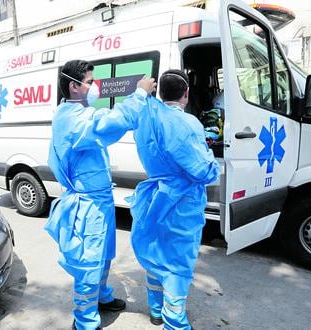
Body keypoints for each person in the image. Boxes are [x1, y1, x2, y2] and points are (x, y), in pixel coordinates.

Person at [44, 59, 156, 330]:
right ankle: (84, 319)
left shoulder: (78, 112)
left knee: (104, 253)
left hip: (100, 198)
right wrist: (139, 94)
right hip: (87, 202)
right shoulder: (73, 118)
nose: (94, 87)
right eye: (90, 81)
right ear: (74, 87)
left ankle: (102, 296)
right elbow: (110, 123)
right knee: (89, 260)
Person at [129, 69, 220, 330]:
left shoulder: (146, 120)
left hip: (154, 199)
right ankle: (175, 322)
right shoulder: (188, 123)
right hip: (182, 203)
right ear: (186, 94)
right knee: (179, 263)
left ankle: (156, 310)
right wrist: (213, 162)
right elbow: (202, 170)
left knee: (157, 253)